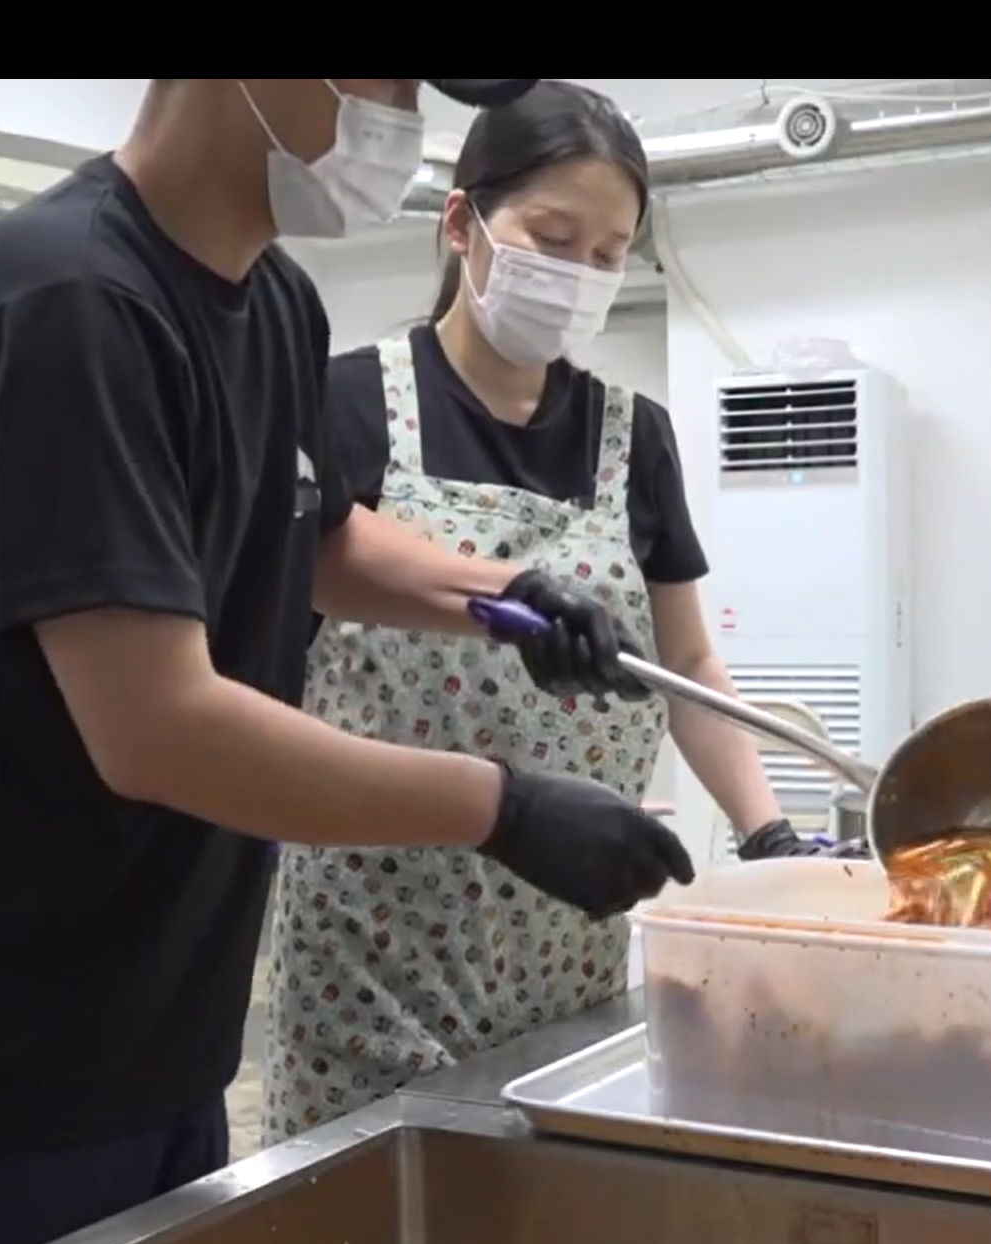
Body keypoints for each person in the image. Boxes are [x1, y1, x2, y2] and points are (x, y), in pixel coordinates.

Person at [0, 79, 696, 1244]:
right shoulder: (72, 300)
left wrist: (504, 593)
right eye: (388, 81)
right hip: (6, 1047)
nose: (399, 115)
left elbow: (312, 537)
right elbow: (156, 725)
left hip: (166, 1015)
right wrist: (499, 805)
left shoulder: (274, 303)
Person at [262, 83, 827, 1142]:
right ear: (461, 223)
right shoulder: (342, 403)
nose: (576, 275)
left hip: (567, 934)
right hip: (371, 949)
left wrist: (769, 831)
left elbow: (687, 655)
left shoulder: (634, 437)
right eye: (549, 236)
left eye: (608, 255)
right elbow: (298, 599)